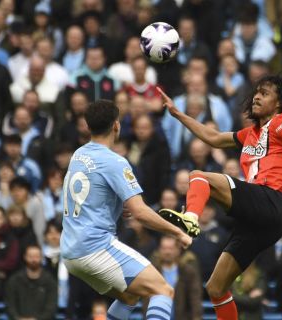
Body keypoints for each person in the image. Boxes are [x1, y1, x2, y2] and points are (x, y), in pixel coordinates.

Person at [157, 74, 282, 319]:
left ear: (278, 103)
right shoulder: (250, 134)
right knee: (215, 288)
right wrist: (178, 114)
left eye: (264, 93)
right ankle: (191, 218)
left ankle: (191, 217)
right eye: (256, 92)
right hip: (260, 220)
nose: (256, 96)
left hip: (269, 200)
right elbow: (212, 138)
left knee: (198, 175)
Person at [60, 99, 195, 320]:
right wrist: (178, 232)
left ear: (88, 126)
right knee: (162, 290)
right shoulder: (115, 161)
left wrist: (115, 205)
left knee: (130, 297)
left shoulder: (78, 155)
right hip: (95, 246)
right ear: (116, 125)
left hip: (71, 250)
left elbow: (89, 195)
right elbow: (140, 212)